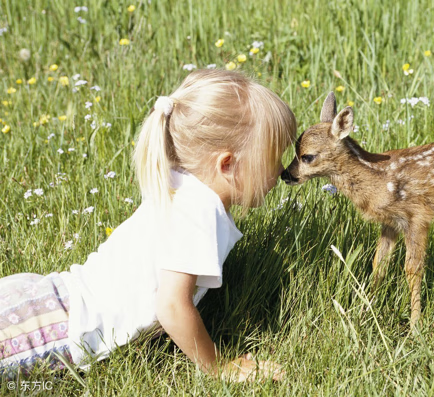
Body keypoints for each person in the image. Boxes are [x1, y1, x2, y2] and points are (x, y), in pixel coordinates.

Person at [0, 69, 296, 381]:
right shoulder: (200, 213)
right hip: (59, 331)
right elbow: (171, 306)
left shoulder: (181, 184)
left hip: (48, 298)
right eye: (273, 158)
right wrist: (218, 367)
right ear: (227, 164)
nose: (280, 169)